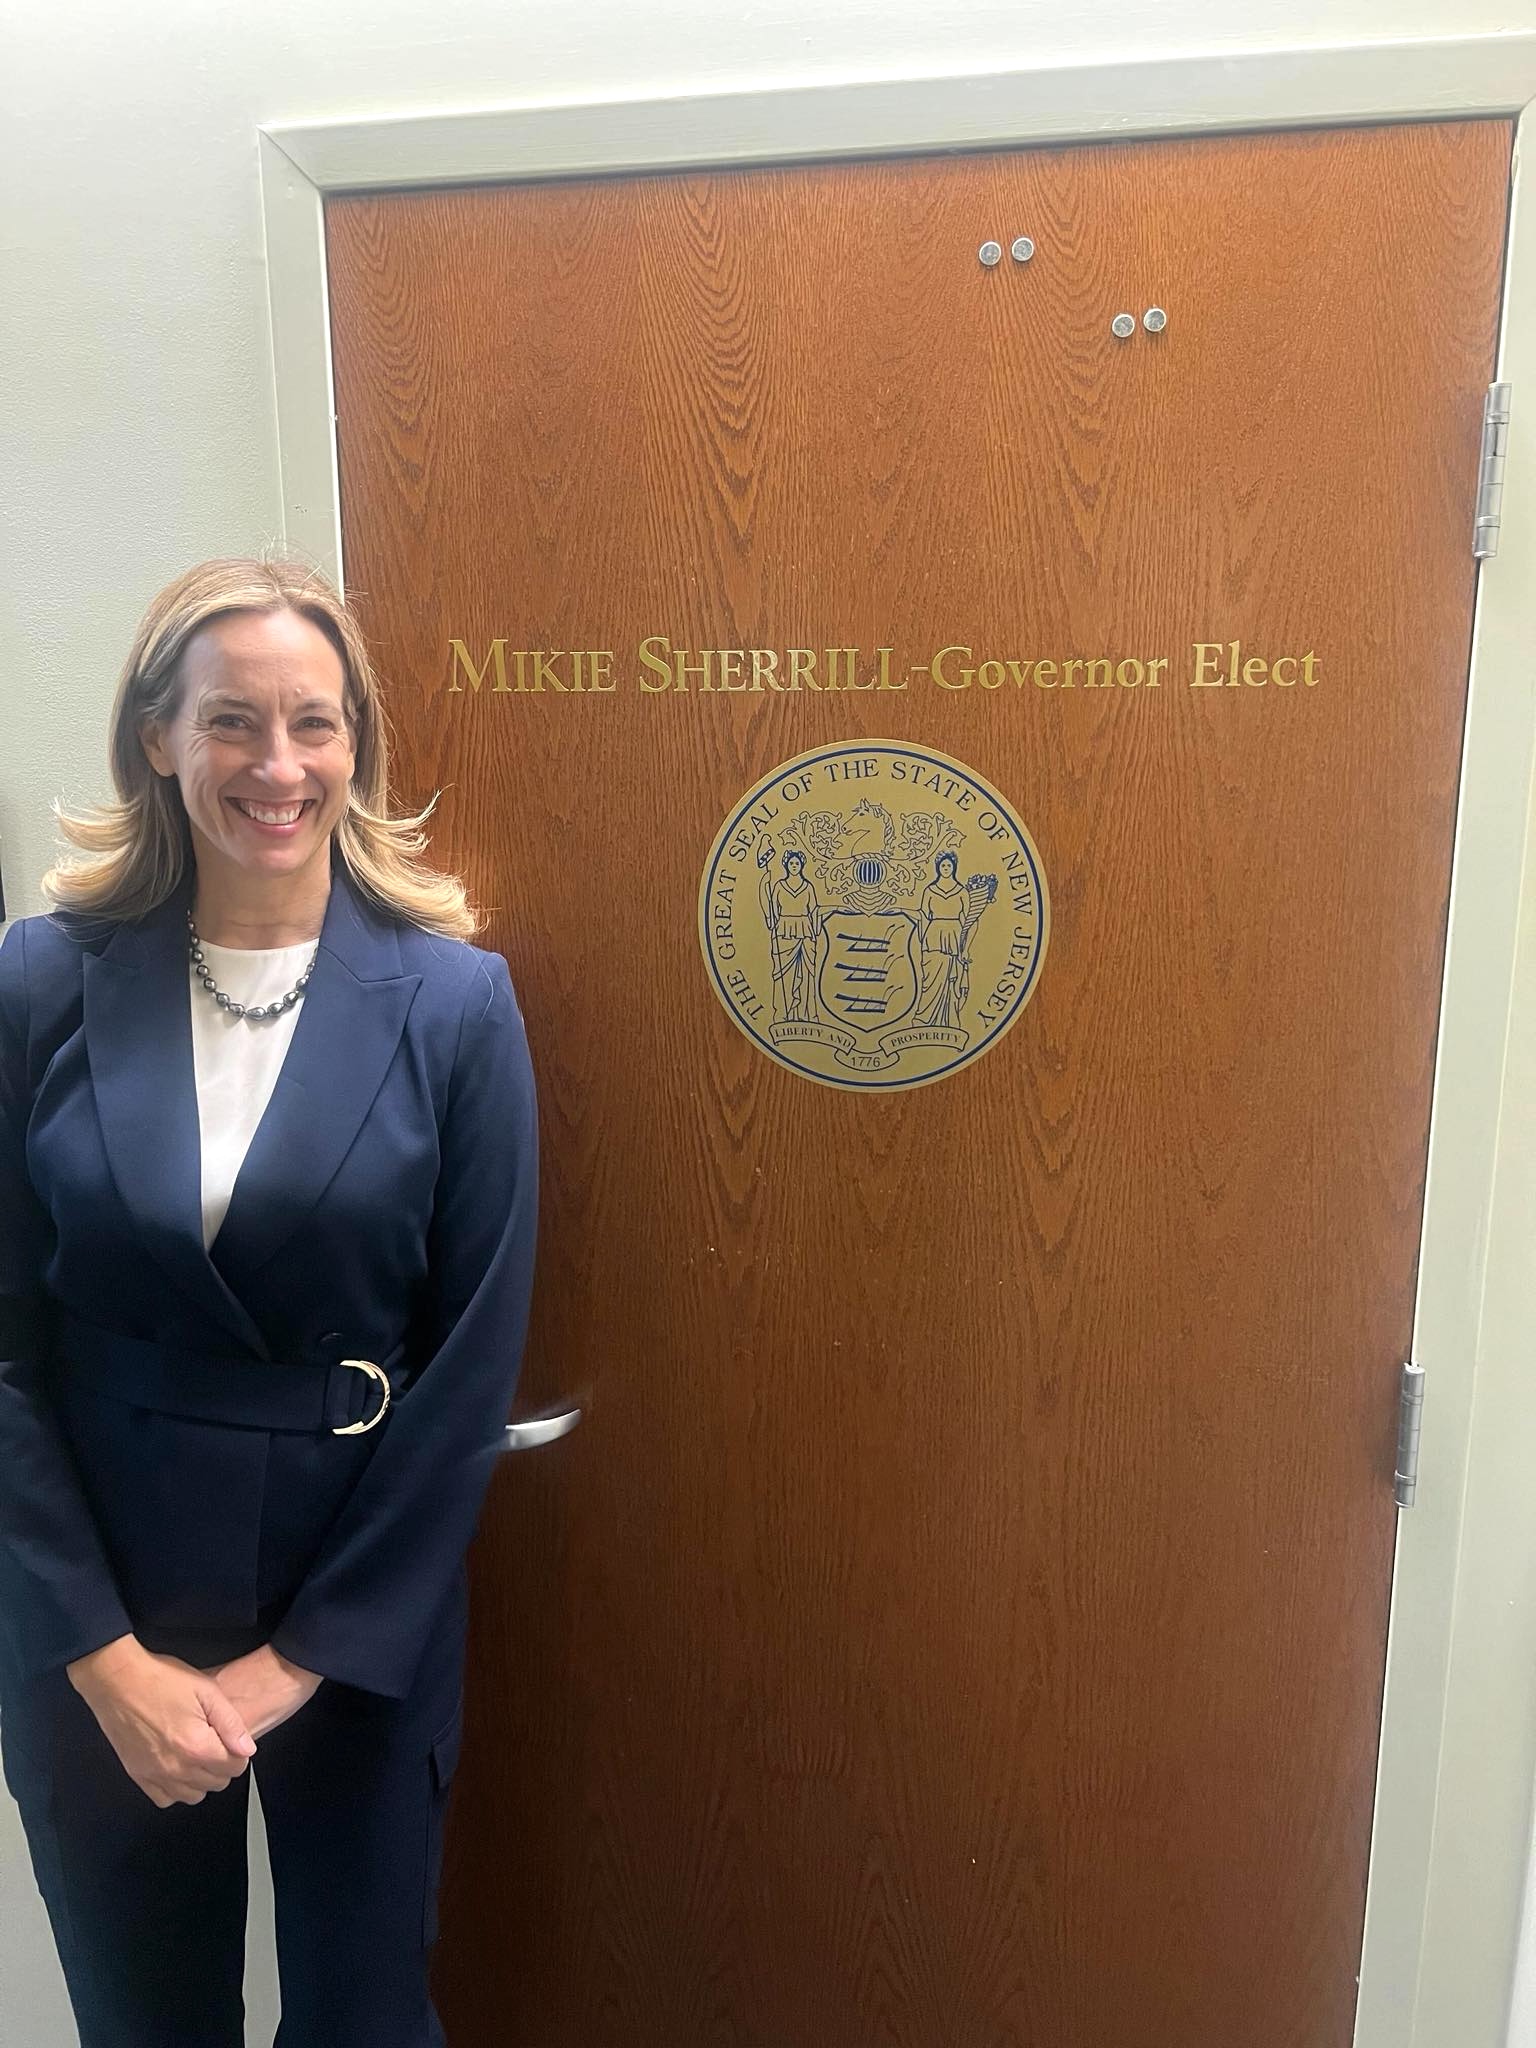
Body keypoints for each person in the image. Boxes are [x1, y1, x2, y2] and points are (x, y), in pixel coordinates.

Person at [0, 557, 540, 2046]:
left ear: (358, 743)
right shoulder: (39, 982)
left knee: (365, 2020)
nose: (278, 765)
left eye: (315, 722)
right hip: (99, 1603)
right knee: (145, 2021)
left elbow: (469, 1366)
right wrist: (102, 1658)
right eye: (232, 721)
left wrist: (295, 1663)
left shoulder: (456, 1005)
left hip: (357, 1608)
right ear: (157, 739)